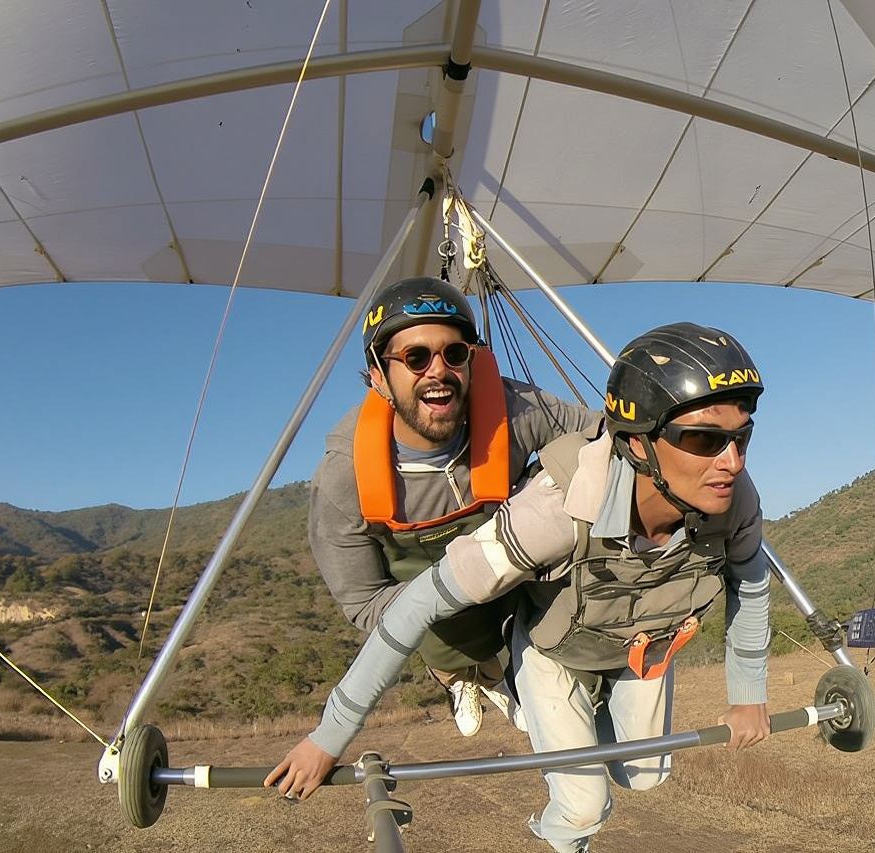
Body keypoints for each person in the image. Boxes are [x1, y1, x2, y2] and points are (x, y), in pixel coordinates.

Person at [269, 322, 773, 853]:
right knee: (584, 805)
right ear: (637, 444)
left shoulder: (734, 499)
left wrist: (748, 695)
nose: (732, 461)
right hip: (557, 649)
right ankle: (551, 805)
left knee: (646, 775)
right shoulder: (555, 511)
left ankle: (585, 728)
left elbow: (752, 583)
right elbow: (414, 605)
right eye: (704, 439)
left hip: (641, 643)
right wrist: (329, 738)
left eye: (742, 436)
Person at [309, 275, 602, 736]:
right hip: (436, 604)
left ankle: (513, 667)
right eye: (415, 357)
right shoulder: (344, 477)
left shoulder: (514, 408)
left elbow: (603, 439)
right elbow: (365, 602)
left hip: (515, 573)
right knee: (455, 644)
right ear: (378, 377)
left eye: (454, 353)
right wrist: (451, 594)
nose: (437, 371)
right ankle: (457, 675)